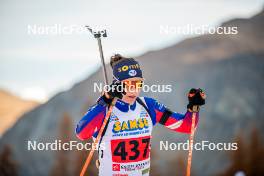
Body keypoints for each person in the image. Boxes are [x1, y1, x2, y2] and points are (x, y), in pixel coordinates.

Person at [76, 54, 206, 176]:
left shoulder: (149, 106)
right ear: (117, 85)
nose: (134, 89)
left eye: (138, 83)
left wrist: (193, 108)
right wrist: (104, 101)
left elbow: (186, 126)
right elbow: (82, 133)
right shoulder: (105, 109)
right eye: (129, 84)